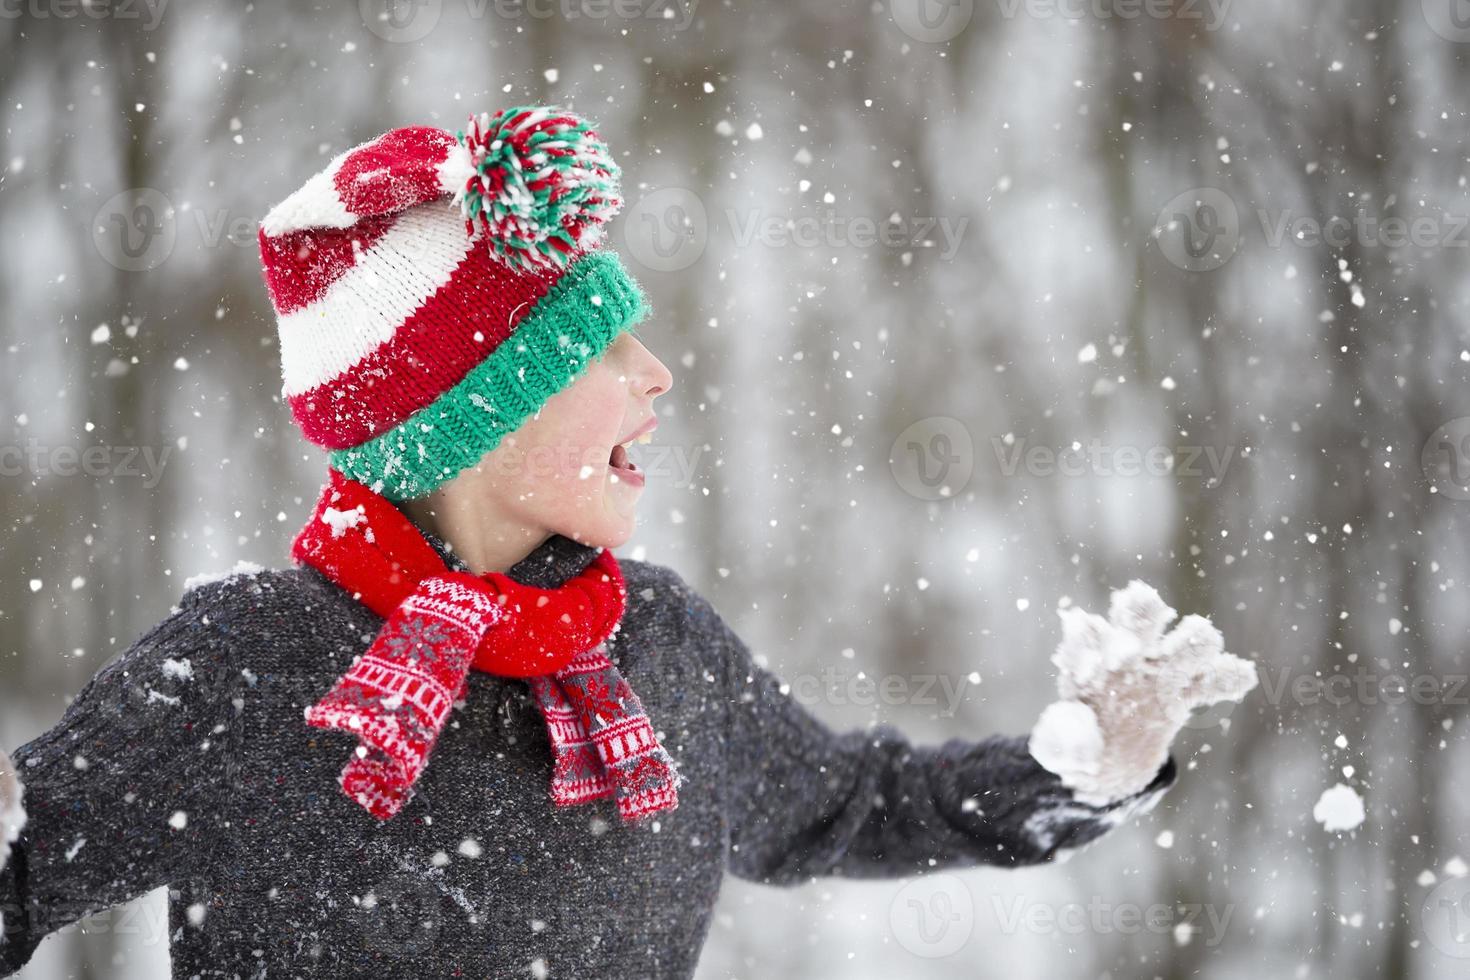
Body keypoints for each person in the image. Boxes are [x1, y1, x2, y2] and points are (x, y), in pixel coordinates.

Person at [0, 106, 1255, 978]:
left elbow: (859, 803)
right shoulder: (247, 663)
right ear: (476, 411)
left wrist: (1088, 765)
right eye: (600, 349)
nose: (654, 374)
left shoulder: (658, 648)